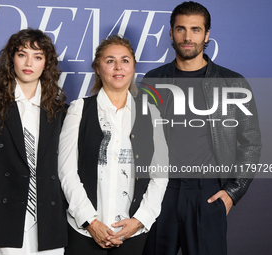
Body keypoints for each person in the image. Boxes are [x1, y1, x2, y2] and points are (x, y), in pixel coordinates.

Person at [142, 2, 262, 255]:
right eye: (181, 29)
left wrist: (232, 192)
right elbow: (140, 139)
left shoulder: (232, 82)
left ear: (207, 35)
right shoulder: (153, 80)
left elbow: (251, 143)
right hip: (161, 192)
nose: (187, 37)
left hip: (207, 193)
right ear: (171, 33)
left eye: (195, 29)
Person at [58, 34, 168, 255]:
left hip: (133, 232)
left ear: (133, 67)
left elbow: (160, 173)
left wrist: (140, 219)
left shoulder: (150, 112)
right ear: (98, 68)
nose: (118, 67)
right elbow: (67, 172)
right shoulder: (79, 109)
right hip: (84, 230)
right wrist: (90, 222)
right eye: (110, 61)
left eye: (125, 60)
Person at [0, 28, 67, 254]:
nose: (29, 62)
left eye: (37, 56)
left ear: (46, 64)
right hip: (0, 217)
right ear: (12, 59)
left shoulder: (61, 112)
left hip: (48, 221)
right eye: (22, 54)